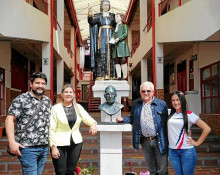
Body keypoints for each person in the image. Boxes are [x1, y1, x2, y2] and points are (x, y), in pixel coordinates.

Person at [116, 81, 168, 175]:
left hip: (159, 140)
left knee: (162, 171)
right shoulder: (136, 103)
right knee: (152, 170)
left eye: (148, 91)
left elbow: (167, 123)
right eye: (143, 91)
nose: (146, 93)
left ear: (153, 92)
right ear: (140, 92)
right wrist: (123, 119)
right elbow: (133, 118)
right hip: (146, 142)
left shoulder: (162, 104)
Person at [5, 72, 51, 175]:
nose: (40, 86)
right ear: (31, 84)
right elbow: (9, 120)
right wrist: (11, 142)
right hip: (27, 148)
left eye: (43, 84)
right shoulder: (21, 99)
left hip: (44, 147)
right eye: (37, 83)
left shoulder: (47, 101)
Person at [49, 84, 97, 175]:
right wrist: (53, 146)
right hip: (59, 143)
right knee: (61, 171)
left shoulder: (78, 107)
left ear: (74, 95)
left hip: (76, 142)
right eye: (66, 92)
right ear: (62, 94)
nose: (68, 94)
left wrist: (93, 124)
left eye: (70, 92)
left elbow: (87, 118)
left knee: (70, 170)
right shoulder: (55, 108)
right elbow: (51, 128)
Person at [168, 90, 211, 175]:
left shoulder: (189, 114)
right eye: (173, 100)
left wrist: (197, 142)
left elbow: (207, 128)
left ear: (182, 100)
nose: (176, 102)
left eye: (178, 100)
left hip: (187, 151)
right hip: (173, 151)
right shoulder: (169, 113)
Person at [88, 0, 116, 80]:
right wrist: (89, 12)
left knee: (112, 55)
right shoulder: (98, 16)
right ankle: (101, 75)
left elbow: (117, 25)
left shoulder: (113, 16)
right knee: (102, 54)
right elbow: (91, 22)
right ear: (101, 6)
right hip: (102, 37)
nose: (106, 6)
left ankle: (112, 75)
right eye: (105, 5)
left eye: (108, 5)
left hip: (111, 36)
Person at [111, 13, 130, 80]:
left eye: (117, 16)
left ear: (121, 18)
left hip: (122, 45)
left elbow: (125, 34)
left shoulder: (124, 25)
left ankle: (124, 76)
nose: (116, 18)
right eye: (115, 17)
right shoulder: (116, 27)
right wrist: (112, 40)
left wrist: (119, 38)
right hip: (116, 46)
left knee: (123, 60)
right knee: (116, 61)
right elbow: (113, 35)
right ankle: (118, 76)